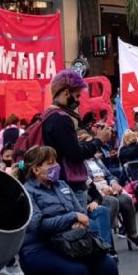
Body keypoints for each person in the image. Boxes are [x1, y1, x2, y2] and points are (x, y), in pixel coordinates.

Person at [19, 146, 117, 275]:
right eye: (49, 163)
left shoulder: (62, 185)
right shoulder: (28, 191)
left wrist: (77, 219)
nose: (56, 166)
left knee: (107, 266)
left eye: (55, 161)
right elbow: (39, 225)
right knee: (77, 271)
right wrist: (70, 219)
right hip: (39, 249)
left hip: (69, 243)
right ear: (36, 169)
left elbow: (82, 212)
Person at [43, 70, 99, 208]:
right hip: (70, 184)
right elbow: (75, 154)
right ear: (66, 93)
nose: (78, 101)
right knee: (80, 226)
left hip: (58, 182)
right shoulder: (62, 119)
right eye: (77, 95)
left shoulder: (47, 116)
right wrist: (98, 141)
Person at [83, 146, 138, 250]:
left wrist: (114, 183)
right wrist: (101, 188)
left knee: (126, 199)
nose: (96, 151)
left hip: (109, 189)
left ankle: (131, 234)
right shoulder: (80, 163)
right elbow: (86, 182)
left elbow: (109, 175)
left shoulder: (97, 161)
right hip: (95, 194)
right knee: (113, 201)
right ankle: (105, 239)